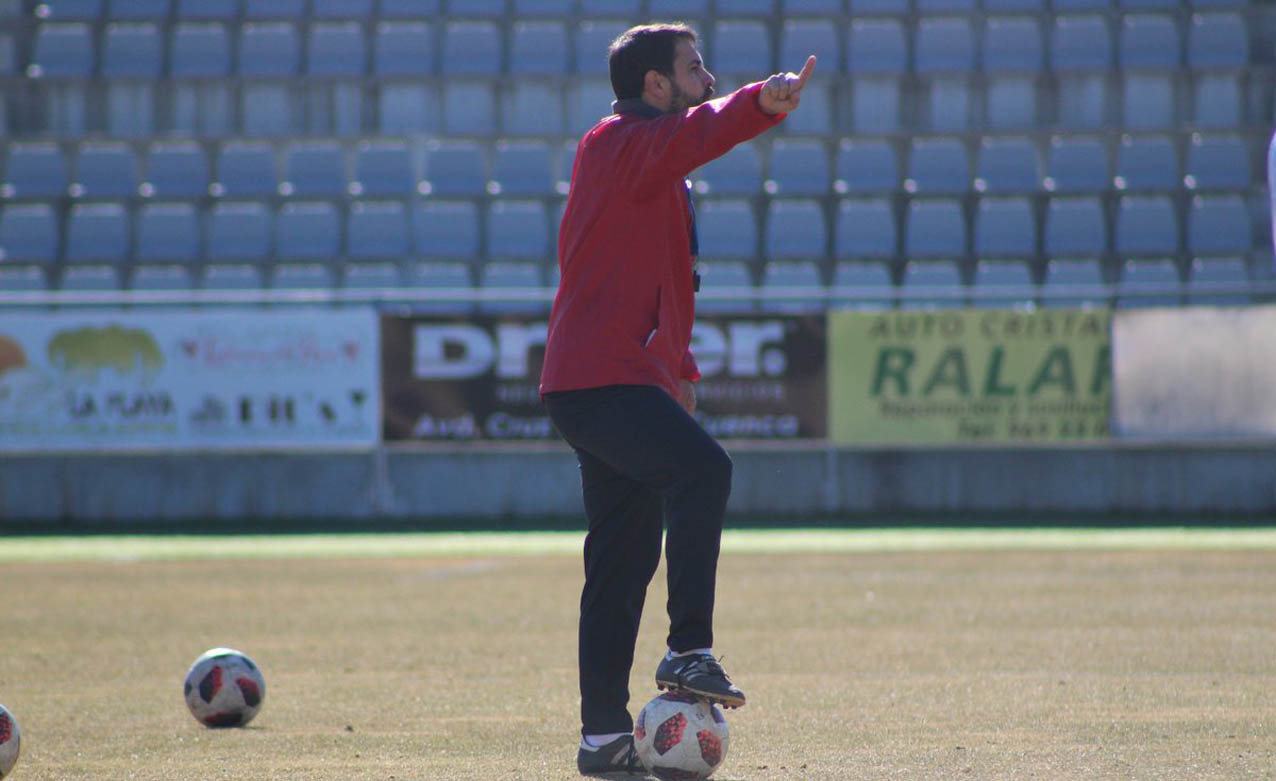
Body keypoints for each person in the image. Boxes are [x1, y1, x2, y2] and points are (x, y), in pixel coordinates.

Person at [538, 22, 816, 778]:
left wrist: (680, 366)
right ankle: (690, 648)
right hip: (602, 378)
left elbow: (667, 279)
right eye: (695, 66)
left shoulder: (650, 165)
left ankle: (602, 739)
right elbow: (700, 132)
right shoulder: (618, 141)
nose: (709, 74)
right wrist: (762, 101)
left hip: (605, 378)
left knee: (621, 564)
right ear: (655, 85)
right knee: (703, 472)